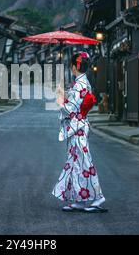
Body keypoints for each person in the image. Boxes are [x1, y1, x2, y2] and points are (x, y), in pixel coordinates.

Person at [52, 51, 107, 213]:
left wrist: (61, 99)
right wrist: (66, 95)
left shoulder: (79, 84)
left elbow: (70, 109)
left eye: (72, 65)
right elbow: (77, 101)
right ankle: (79, 199)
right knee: (76, 163)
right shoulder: (82, 83)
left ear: (75, 66)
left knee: (83, 163)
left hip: (78, 127)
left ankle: (97, 198)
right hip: (79, 126)